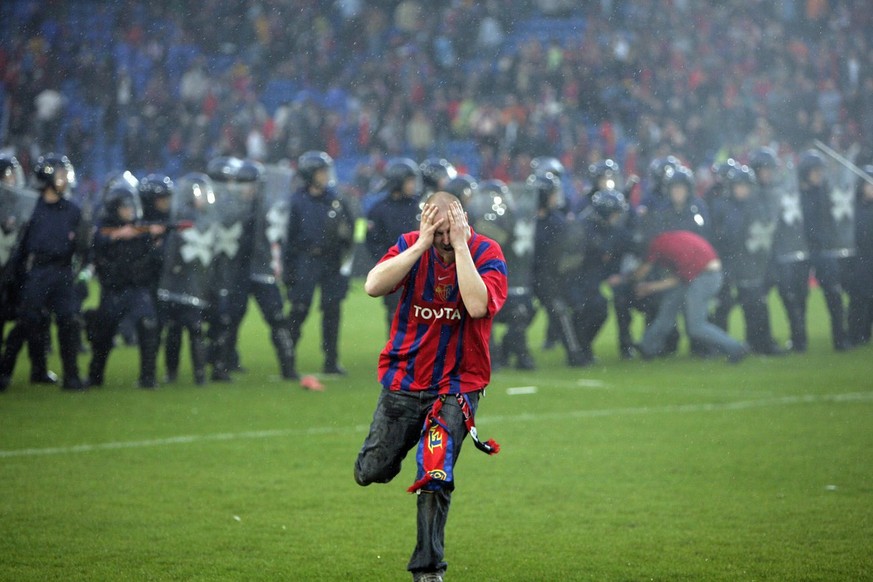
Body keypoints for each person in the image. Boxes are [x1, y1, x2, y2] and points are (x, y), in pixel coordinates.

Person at [354, 192, 507, 582]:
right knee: (371, 470)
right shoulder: (410, 245)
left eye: (449, 229)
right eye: (435, 230)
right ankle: (399, 451)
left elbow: (475, 305)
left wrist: (460, 247)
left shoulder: (487, 252)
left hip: (457, 384)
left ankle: (428, 568)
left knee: (435, 471)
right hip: (404, 379)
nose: (443, 238)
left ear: (464, 220)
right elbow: (373, 285)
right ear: (424, 222)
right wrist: (421, 243)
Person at [0, 154, 86, 391]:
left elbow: (81, 246)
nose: (65, 179)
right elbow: (20, 244)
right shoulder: (29, 207)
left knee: (68, 321)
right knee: (27, 321)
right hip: (37, 271)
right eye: (60, 174)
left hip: (62, 270)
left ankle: (72, 377)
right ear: (47, 177)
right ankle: (4, 372)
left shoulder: (72, 210)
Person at [86, 175, 164, 389]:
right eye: (125, 207)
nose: (131, 210)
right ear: (115, 209)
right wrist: (119, 235)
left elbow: (154, 258)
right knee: (103, 334)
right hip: (113, 290)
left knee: (148, 325)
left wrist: (155, 240)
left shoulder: (141, 228)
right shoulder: (104, 228)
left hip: (136, 289)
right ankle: (95, 376)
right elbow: (95, 243)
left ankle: (148, 377)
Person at [284, 151, 356, 375]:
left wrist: (348, 237)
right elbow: (288, 238)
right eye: (321, 172)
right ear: (310, 175)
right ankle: (287, 359)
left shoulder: (337, 200)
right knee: (299, 309)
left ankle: (331, 361)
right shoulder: (296, 202)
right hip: (306, 259)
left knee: (332, 310)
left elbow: (354, 229)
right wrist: (289, 271)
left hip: (332, 262)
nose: (326, 176)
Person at [633, 230, 749, 363]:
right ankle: (647, 346)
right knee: (668, 310)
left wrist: (648, 287)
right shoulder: (666, 242)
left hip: (704, 277)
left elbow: (675, 277)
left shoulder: (657, 247)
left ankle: (736, 347)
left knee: (696, 326)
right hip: (703, 274)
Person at [750, 147, 811, 353]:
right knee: (760, 300)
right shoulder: (756, 193)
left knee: (791, 297)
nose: (765, 173)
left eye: (768, 169)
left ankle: (799, 339)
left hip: (783, 254)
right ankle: (763, 340)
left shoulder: (779, 191)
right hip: (764, 257)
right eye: (762, 170)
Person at [797, 149, 854, 351]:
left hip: (823, 250)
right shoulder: (798, 194)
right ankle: (799, 341)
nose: (818, 175)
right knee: (799, 296)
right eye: (814, 171)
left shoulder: (825, 191)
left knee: (833, 295)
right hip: (805, 251)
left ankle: (840, 339)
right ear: (805, 173)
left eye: (820, 171)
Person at [366, 157, 422, 333]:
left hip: (420, 269)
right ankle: (397, 356)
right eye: (409, 180)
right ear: (398, 182)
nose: (413, 185)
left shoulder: (419, 206)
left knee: (423, 314)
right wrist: (389, 263)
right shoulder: (378, 210)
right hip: (393, 271)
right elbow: (372, 241)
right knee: (395, 314)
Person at [847, 167, 873, 346]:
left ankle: (865, 333)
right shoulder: (853, 208)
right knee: (858, 298)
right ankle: (855, 333)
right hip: (858, 260)